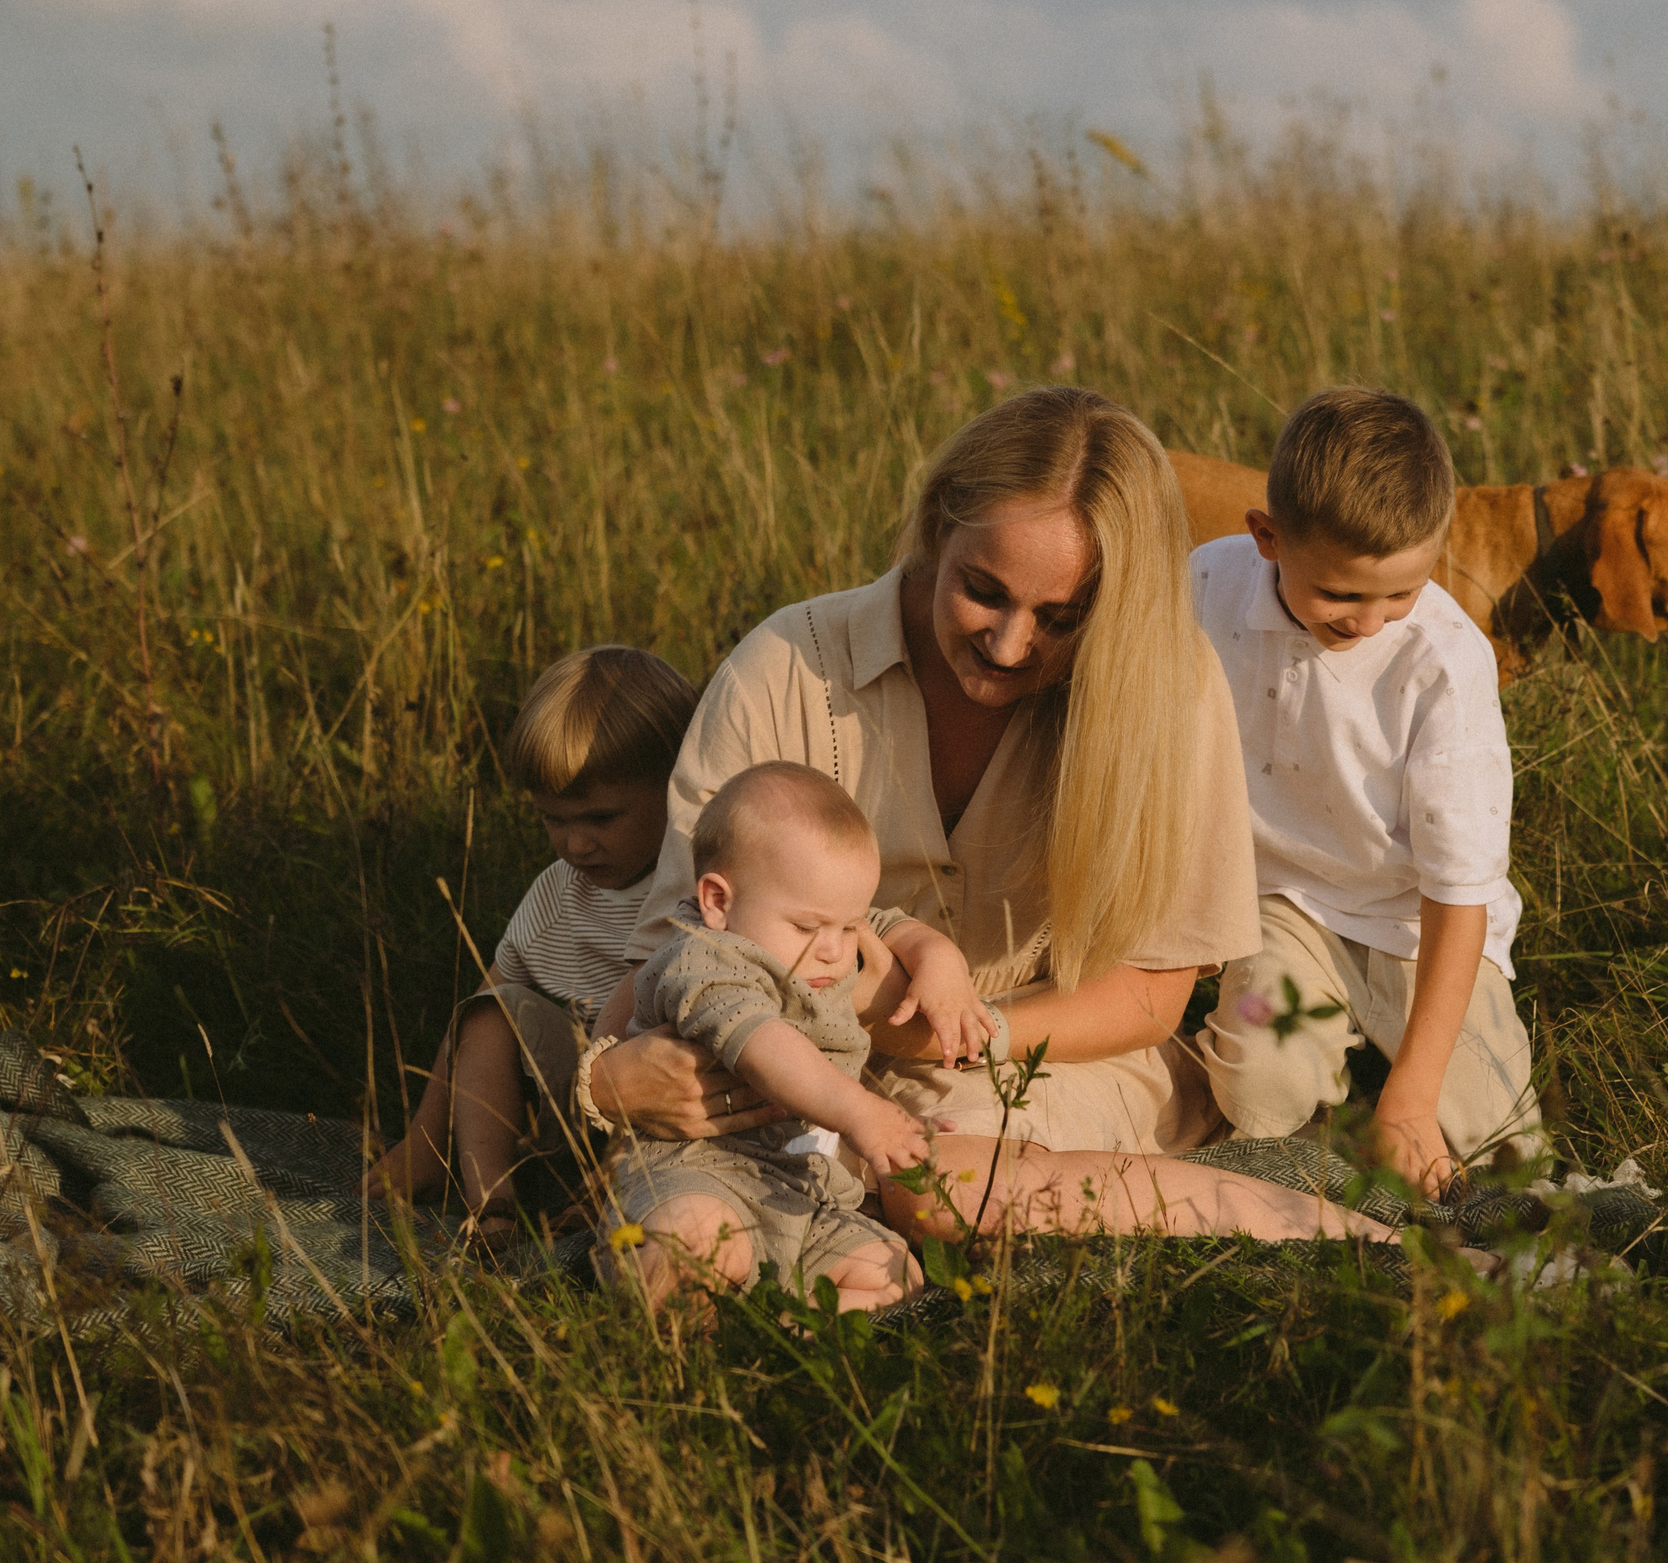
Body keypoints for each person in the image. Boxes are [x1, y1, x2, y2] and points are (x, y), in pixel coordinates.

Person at [589, 387, 1403, 1247]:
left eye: (1061, 619)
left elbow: (1151, 994)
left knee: (937, 1183)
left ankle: (1360, 1243)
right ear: (939, 526)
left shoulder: (1168, 687)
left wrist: (959, 1034)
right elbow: (672, 949)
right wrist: (606, 1086)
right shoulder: (785, 668)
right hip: (782, 1065)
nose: (1011, 646)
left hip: (1047, 1058)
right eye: (984, 591)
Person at [1189, 388, 1546, 1196]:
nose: (1369, 622)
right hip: (1278, 907)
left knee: (1498, 1149)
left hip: (1418, 927)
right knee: (1256, 1094)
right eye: (1342, 596)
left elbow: (1460, 893)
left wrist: (1416, 1095)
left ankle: (1395, 1086)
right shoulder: (1205, 586)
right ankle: (1326, 1094)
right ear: (1267, 537)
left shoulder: (1446, 662)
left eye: (1401, 592)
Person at [600, 762, 994, 1313]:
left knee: (893, 1272)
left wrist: (937, 955)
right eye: (810, 928)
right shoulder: (704, 959)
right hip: (697, 1174)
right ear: (719, 902)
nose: (836, 949)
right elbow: (765, 1046)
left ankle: (780, 1328)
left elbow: (886, 923)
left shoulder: (819, 933)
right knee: (689, 1244)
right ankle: (687, 1338)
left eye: (847, 926)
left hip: (805, 1190)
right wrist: (862, 1112)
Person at [365, 645, 697, 1235]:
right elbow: (477, 1014)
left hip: (669, 1115)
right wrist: (422, 1134)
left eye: (599, 819)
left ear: (676, 787)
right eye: (553, 820)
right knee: (490, 1015)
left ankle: (617, 1196)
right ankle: (489, 1200)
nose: (574, 845)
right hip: (567, 1109)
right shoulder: (557, 895)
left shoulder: (702, 887)